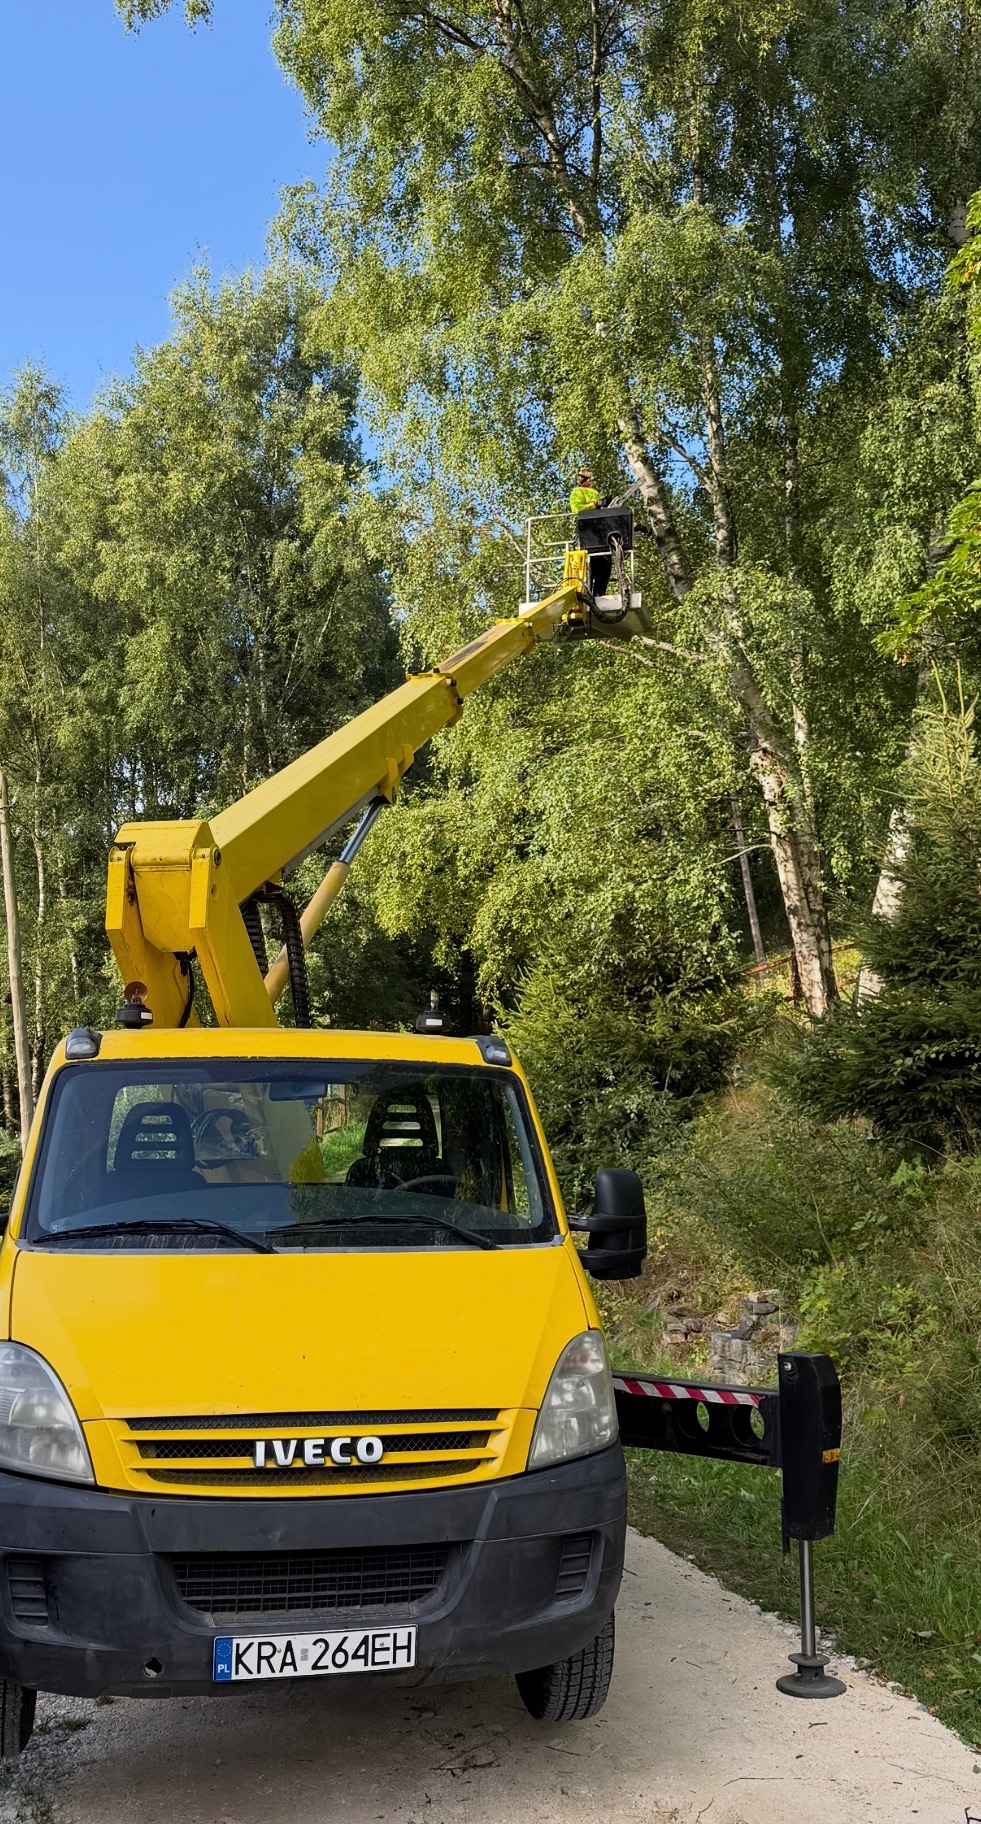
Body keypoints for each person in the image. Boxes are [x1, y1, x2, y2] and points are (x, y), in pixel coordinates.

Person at [569, 467, 611, 596]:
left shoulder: (595, 492)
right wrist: (595, 505)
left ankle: (599, 596)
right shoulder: (577, 492)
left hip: (602, 534)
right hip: (586, 532)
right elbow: (577, 509)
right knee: (589, 567)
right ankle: (586, 596)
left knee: (605, 566)